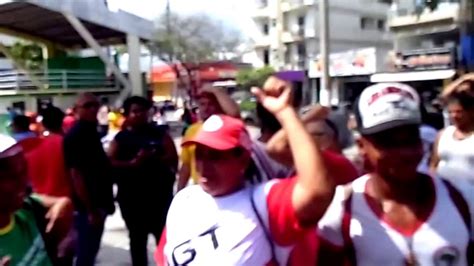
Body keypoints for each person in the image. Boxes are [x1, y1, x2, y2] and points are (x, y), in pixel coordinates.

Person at [156, 76, 351, 265]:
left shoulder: (264, 203)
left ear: (242, 159)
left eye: (216, 157)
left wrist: (285, 112)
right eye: (200, 155)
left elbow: (316, 191)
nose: (204, 166)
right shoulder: (185, 201)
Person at [317, 83, 474, 266]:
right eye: (387, 142)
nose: (404, 153)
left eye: (411, 139)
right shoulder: (343, 208)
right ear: (362, 146)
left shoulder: (462, 198)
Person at [108, 96, 178, 266]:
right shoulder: (121, 138)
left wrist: (154, 158)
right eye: (135, 111)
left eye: (143, 111)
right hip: (132, 200)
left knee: (165, 240)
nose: (139, 114)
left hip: (159, 197)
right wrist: (132, 164)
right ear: (127, 114)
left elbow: (173, 157)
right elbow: (109, 162)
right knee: (137, 240)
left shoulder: (160, 133)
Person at [0, 135, 73, 266]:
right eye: (11, 176)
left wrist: (62, 206)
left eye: (24, 171)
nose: (24, 182)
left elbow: (60, 202)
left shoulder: (28, 207)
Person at [63, 93, 115, 266]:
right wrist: (90, 209)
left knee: (90, 252)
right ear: (77, 110)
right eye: (87, 106)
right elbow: (76, 175)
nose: (93, 109)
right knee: (86, 254)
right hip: (88, 208)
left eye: (95, 104)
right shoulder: (77, 135)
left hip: (99, 203)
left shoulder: (92, 131)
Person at [177, 86, 240, 191]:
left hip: (225, 188)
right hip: (200, 190)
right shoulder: (192, 130)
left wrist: (215, 90)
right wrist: (179, 192)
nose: (206, 108)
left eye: (211, 104)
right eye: (202, 104)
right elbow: (186, 165)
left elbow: (234, 114)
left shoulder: (227, 127)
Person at [430, 88, 474, 183]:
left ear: (471, 112)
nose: (454, 116)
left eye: (459, 111)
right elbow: (434, 165)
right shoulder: (443, 134)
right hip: (445, 191)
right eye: (450, 112)